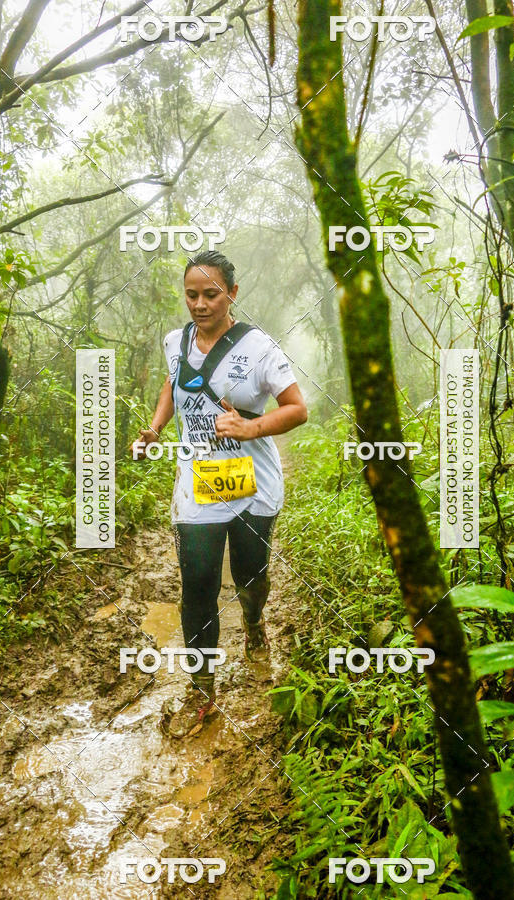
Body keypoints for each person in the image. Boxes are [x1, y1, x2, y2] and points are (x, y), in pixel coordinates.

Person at [133, 250, 307, 739]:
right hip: (198, 482)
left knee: (251, 574)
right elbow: (173, 384)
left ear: (232, 293)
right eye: (191, 295)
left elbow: (297, 409)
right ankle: (202, 687)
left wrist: (251, 428)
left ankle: (253, 622)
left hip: (253, 483)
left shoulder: (259, 347)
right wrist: (154, 429)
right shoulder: (176, 340)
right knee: (198, 583)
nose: (200, 304)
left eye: (211, 294)